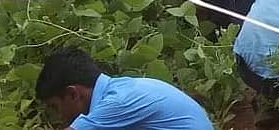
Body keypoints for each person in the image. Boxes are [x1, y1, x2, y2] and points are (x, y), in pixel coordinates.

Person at [35, 47, 212, 130]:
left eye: (55, 107)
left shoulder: (118, 102)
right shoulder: (122, 89)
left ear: (72, 94)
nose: (59, 116)